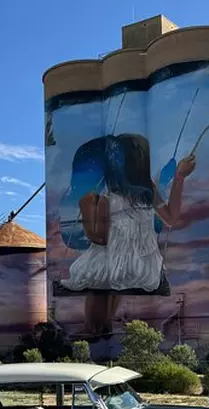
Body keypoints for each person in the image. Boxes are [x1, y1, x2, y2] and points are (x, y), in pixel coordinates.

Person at [60, 133, 196, 337]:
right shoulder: (147, 187)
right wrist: (179, 178)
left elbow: (100, 238)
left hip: (119, 260)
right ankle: (101, 327)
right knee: (108, 273)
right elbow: (170, 217)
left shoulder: (108, 191)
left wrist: (87, 210)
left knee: (96, 271)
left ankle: (93, 328)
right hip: (145, 265)